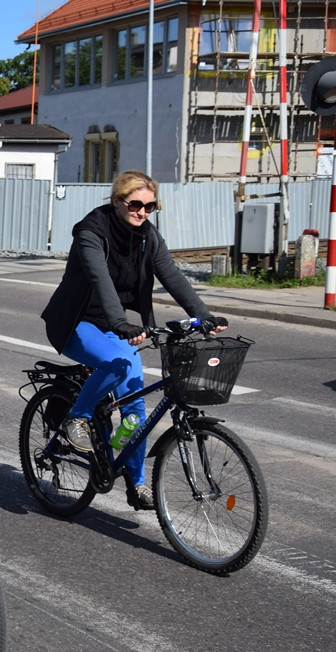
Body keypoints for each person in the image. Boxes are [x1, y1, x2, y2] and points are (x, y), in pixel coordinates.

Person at [41, 169, 228, 511]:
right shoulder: (91, 232)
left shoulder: (147, 236)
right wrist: (120, 322)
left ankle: (137, 483)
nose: (142, 211)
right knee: (121, 362)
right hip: (75, 323)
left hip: (116, 325)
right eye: (135, 204)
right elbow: (100, 279)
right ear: (117, 201)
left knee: (134, 404)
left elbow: (170, 273)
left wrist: (203, 314)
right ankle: (77, 418)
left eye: (150, 206)